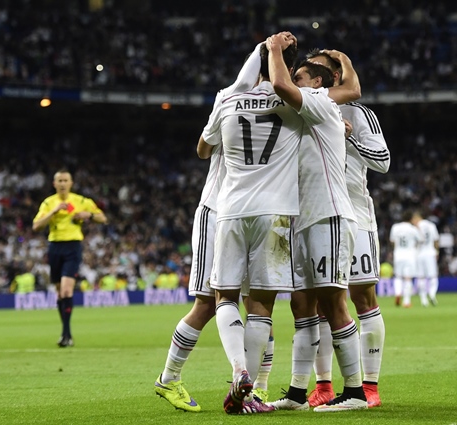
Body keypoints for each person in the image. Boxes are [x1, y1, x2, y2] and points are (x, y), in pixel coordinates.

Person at [153, 39, 273, 414]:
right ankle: (169, 379)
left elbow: (203, 148)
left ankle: (256, 388)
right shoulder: (238, 100)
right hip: (218, 211)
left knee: (260, 304)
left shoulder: (244, 100)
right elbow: (203, 150)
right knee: (209, 303)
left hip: (254, 213)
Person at [201, 32, 303, 415]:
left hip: (231, 207)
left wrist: (264, 49)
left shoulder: (226, 97)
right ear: (288, 66)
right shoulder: (296, 101)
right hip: (275, 212)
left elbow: (202, 149)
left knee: (224, 296)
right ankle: (249, 392)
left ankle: (240, 372)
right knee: (260, 305)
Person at [266, 34, 367, 412]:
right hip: (302, 220)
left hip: (328, 216)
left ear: (318, 84)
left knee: (333, 302)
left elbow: (279, 83)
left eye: (302, 76)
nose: (295, 81)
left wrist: (274, 50)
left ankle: (355, 391)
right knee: (301, 304)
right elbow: (351, 88)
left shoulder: (320, 103)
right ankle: (296, 393)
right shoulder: (308, 111)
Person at [303, 48, 391, 408]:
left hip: (355, 213)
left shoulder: (359, 113)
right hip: (315, 214)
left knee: (362, 299)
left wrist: (349, 136)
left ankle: (368, 386)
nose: (316, 77)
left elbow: (383, 162)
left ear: (336, 77)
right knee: (320, 303)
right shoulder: (304, 109)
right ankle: (324, 384)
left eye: (323, 70)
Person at [32, 169, 108, 347]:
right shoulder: (49, 203)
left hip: (73, 247)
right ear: (54, 184)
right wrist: (54, 212)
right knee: (59, 293)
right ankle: (65, 333)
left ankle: (66, 335)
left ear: (71, 183)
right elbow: (36, 226)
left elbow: (102, 218)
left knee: (67, 291)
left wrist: (87, 215)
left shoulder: (81, 201)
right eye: (59, 180)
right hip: (55, 248)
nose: (63, 183)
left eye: (66, 180)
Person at [389, 210, 423, 308]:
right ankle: (406, 301)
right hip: (409, 255)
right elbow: (421, 239)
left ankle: (398, 293)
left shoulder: (395, 227)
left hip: (398, 254)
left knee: (398, 277)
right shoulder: (413, 229)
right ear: (411, 219)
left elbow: (392, 241)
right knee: (408, 278)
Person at [413, 210, 440, 306]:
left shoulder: (416, 227)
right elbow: (436, 240)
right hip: (430, 253)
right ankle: (432, 294)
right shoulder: (431, 225)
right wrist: (437, 251)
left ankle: (423, 300)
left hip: (419, 254)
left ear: (417, 217)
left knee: (421, 278)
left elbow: (415, 242)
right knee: (433, 276)